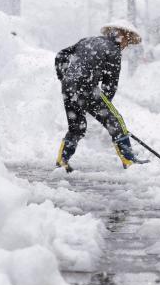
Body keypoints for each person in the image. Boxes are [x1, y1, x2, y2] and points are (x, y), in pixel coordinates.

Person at [55, 20, 143, 172]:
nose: (126, 46)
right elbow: (110, 85)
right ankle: (129, 160)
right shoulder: (114, 51)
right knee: (116, 121)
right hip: (87, 87)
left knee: (77, 127)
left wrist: (64, 77)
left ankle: (62, 160)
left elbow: (61, 55)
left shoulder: (87, 41)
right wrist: (102, 109)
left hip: (68, 87)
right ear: (122, 36)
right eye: (127, 42)